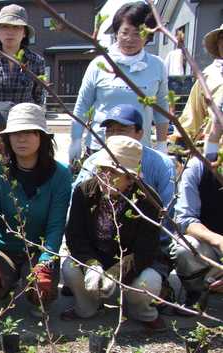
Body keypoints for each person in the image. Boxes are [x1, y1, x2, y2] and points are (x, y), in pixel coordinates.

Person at [0, 103, 71, 314]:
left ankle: (31, 284)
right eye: (16, 133)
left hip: (37, 249)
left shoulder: (61, 175)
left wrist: (44, 263)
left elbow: (56, 226)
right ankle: (4, 289)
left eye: (29, 132)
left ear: (42, 137)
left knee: (43, 293)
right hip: (3, 249)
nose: (21, 139)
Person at [62, 135, 166, 332]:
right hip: (95, 254)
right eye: (103, 169)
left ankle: (142, 312)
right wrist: (92, 265)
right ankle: (88, 307)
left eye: (114, 172)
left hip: (132, 259)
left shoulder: (148, 202)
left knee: (149, 281)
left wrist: (114, 273)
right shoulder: (84, 192)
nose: (105, 176)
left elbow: (146, 251)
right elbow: (75, 236)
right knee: (69, 268)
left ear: (131, 177)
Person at [68, 2, 169, 163]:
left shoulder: (157, 66)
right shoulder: (99, 64)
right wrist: (75, 140)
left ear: (149, 35)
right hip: (100, 146)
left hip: (138, 148)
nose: (130, 39)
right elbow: (81, 106)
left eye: (137, 33)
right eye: (125, 32)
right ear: (116, 33)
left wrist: (162, 143)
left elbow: (162, 107)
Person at [73, 104, 176, 247]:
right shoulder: (93, 162)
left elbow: (168, 210)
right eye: (110, 131)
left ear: (140, 133)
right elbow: (77, 202)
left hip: (148, 240)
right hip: (97, 244)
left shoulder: (162, 164)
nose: (115, 135)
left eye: (122, 130)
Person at [0, 4, 46, 127]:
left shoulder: (36, 61)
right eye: (5, 26)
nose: (10, 32)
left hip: (23, 125)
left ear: (24, 33)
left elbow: (38, 97)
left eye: (16, 27)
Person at [173, 139, 223, 311]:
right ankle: (197, 292)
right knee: (185, 247)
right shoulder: (197, 167)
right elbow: (185, 219)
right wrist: (217, 240)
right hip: (210, 246)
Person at [172, 24, 223, 154]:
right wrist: (179, 150)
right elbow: (191, 119)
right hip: (213, 155)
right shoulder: (207, 77)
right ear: (218, 43)